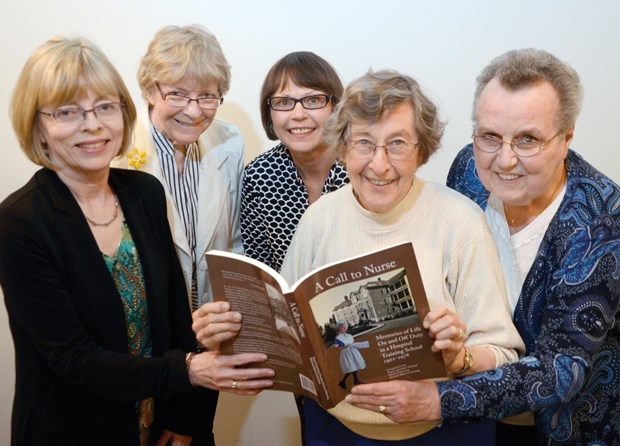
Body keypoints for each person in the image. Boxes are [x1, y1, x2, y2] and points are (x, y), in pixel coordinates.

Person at [195, 69, 524, 445]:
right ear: (343, 147)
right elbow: (285, 334)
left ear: (422, 150)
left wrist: (459, 359)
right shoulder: (319, 217)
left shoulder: (460, 219)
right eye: (364, 143)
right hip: (334, 431)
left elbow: (504, 356)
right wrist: (226, 335)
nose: (379, 164)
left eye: (398, 143)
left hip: (441, 432)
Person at [0, 36, 273, 446]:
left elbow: (178, 315)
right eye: (68, 112)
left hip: (161, 416)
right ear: (38, 124)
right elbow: (72, 359)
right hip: (74, 427)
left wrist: (184, 415)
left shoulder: (143, 192)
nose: (92, 125)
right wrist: (191, 372)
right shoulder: (19, 221)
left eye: (105, 107)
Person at [363, 49, 620, 445]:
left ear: (566, 137)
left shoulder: (602, 221)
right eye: (490, 137)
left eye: (528, 140)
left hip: (561, 430)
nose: (504, 160)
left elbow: (561, 369)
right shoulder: (468, 169)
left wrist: (437, 400)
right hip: (474, 424)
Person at [112, 25, 246, 443]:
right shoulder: (116, 152)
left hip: (209, 340)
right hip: (140, 349)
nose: (194, 109)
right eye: (178, 94)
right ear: (151, 90)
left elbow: (233, 242)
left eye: (207, 95)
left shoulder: (228, 141)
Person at [241, 51, 348, 272]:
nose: (298, 114)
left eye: (313, 100)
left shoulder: (363, 168)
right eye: (283, 102)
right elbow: (261, 272)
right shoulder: (259, 176)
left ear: (335, 107)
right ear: (269, 112)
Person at [334, 321, 369, 390]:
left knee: (354, 366)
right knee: (351, 368)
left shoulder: (349, 336)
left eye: (344, 327)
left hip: (353, 352)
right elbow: (337, 349)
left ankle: (353, 381)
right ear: (338, 328)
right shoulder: (337, 338)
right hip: (346, 354)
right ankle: (346, 381)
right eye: (341, 327)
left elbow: (352, 343)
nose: (343, 328)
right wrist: (346, 347)